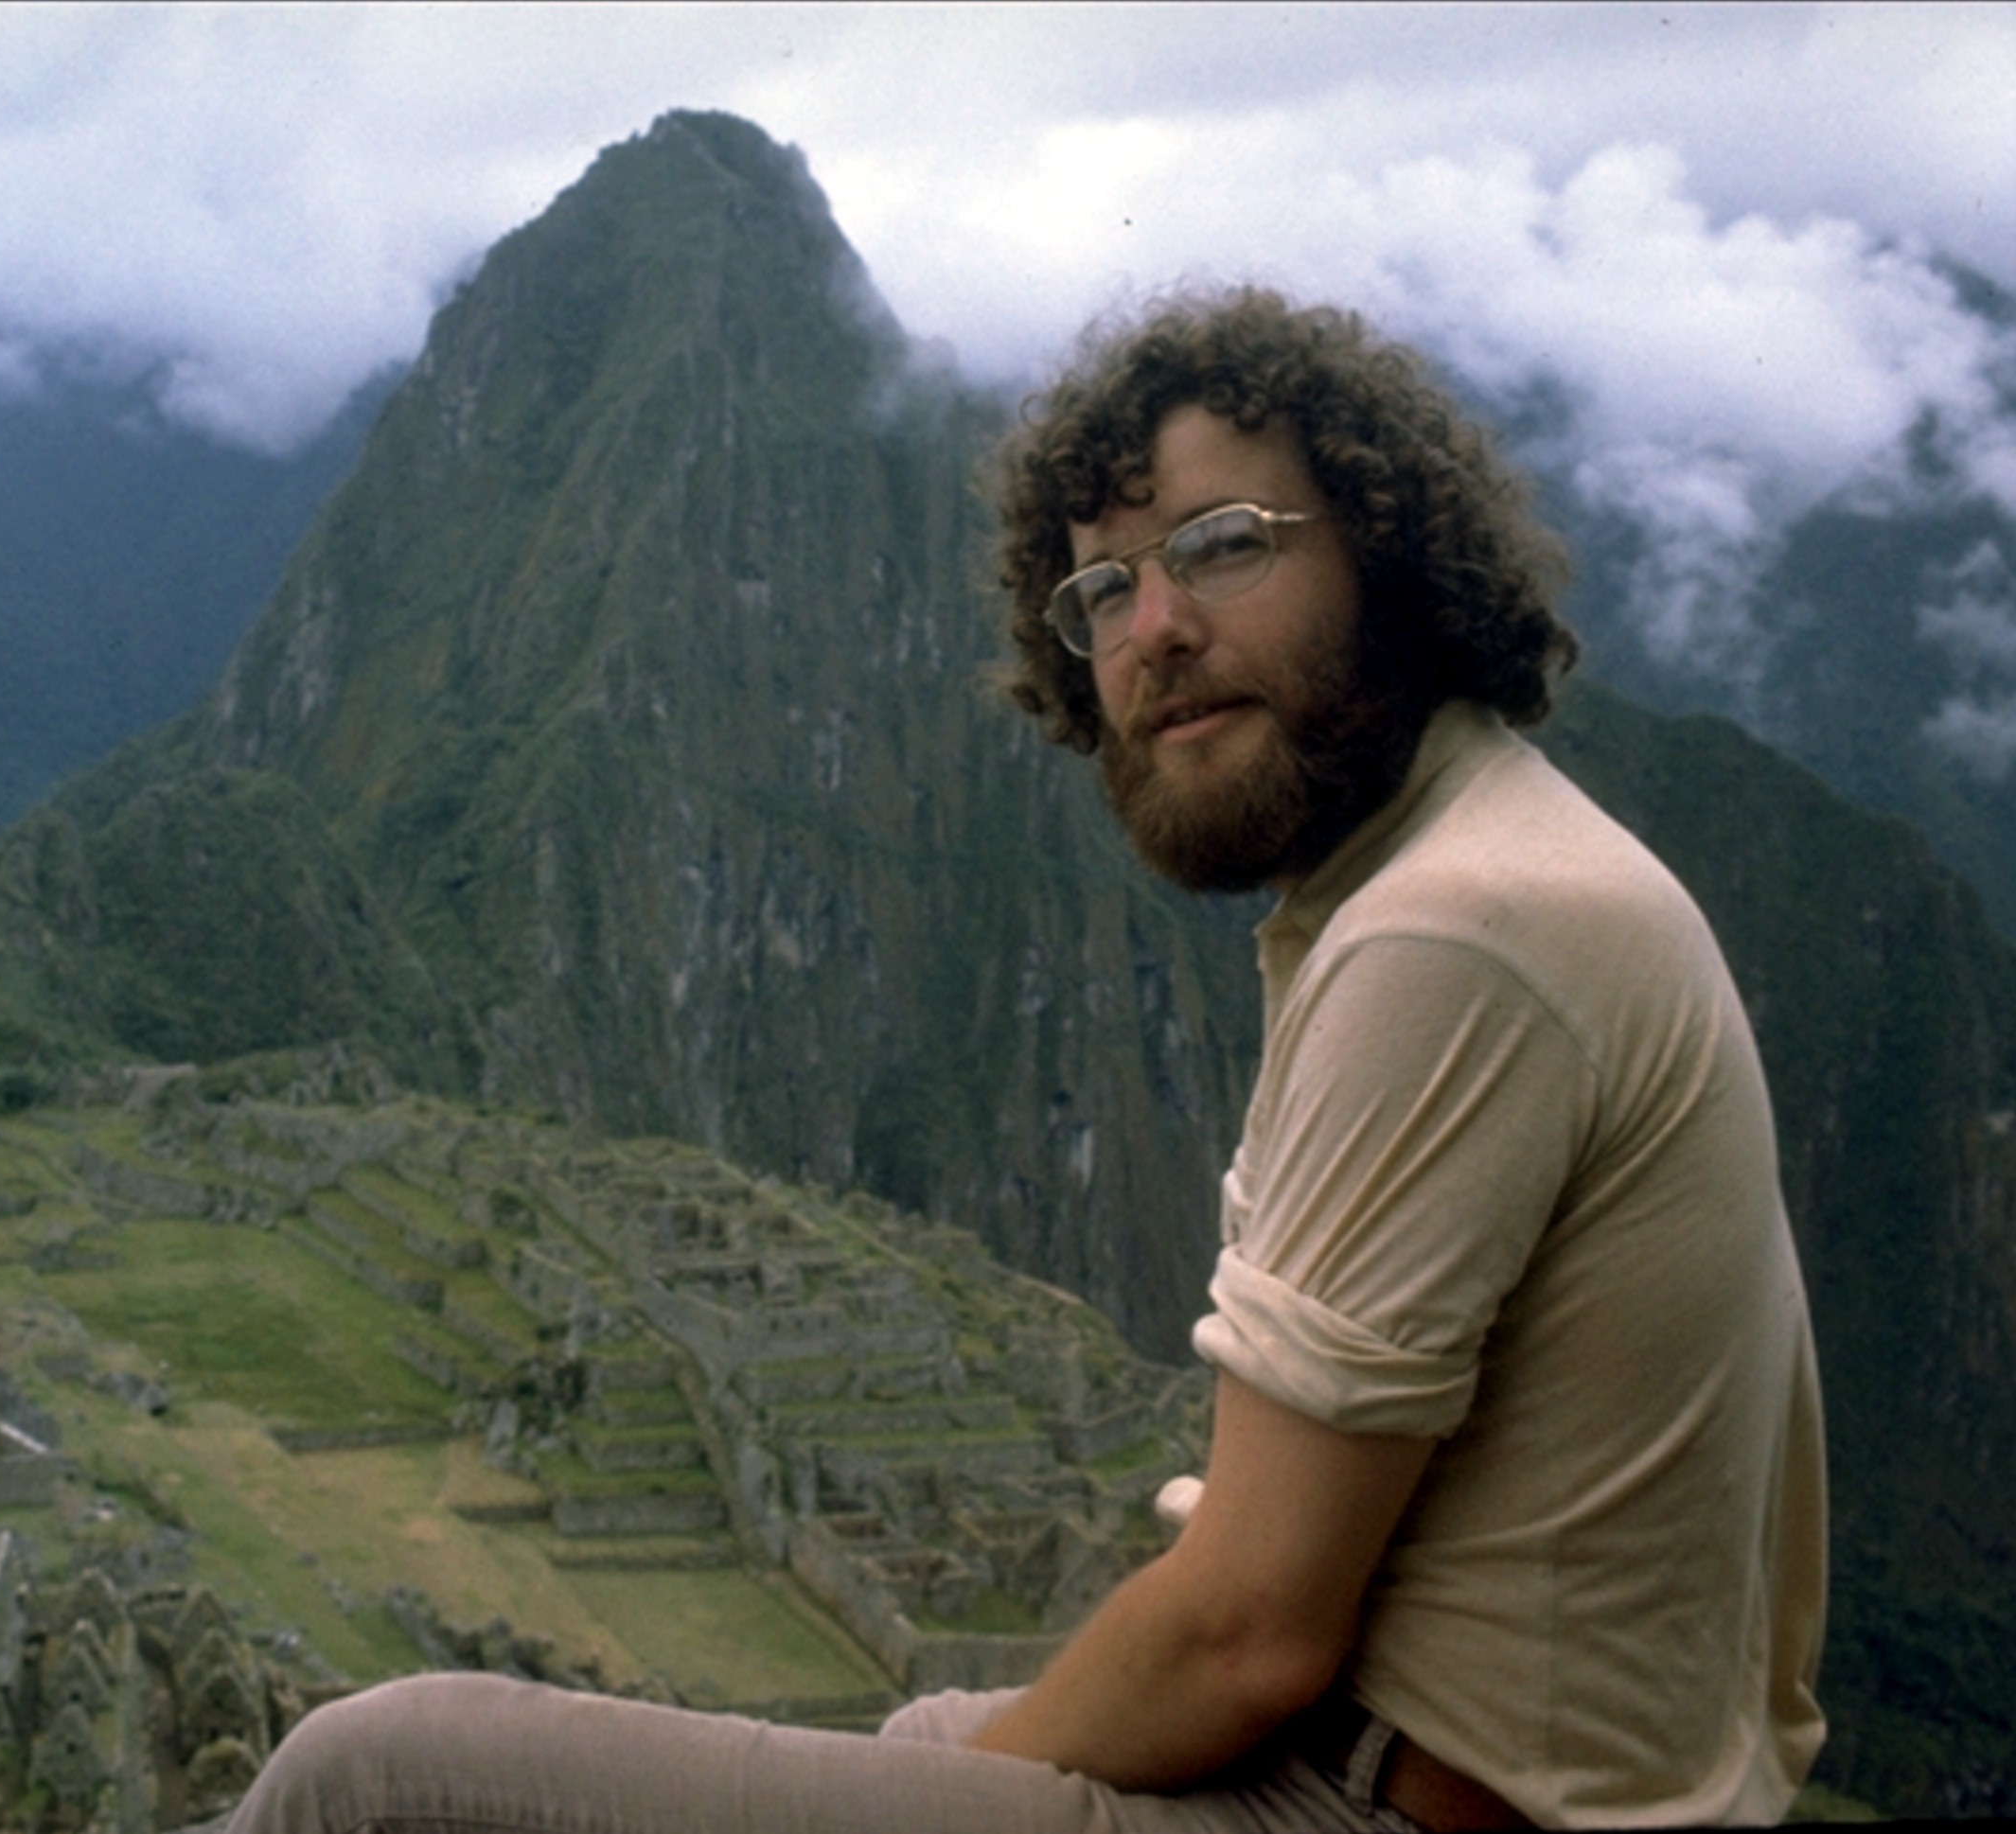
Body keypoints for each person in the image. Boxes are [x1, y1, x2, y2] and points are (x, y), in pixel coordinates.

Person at [225, 287, 1829, 1832]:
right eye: (1102, 592)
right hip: (1386, 1751)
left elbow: (1244, 1637)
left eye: (1222, 544)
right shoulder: (1471, 859)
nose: (1155, 630)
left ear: (1390, 555)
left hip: (1379, 1801)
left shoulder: (1453, 934)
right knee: (918, 1732)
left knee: (372, 1778)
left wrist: (966, 1787)